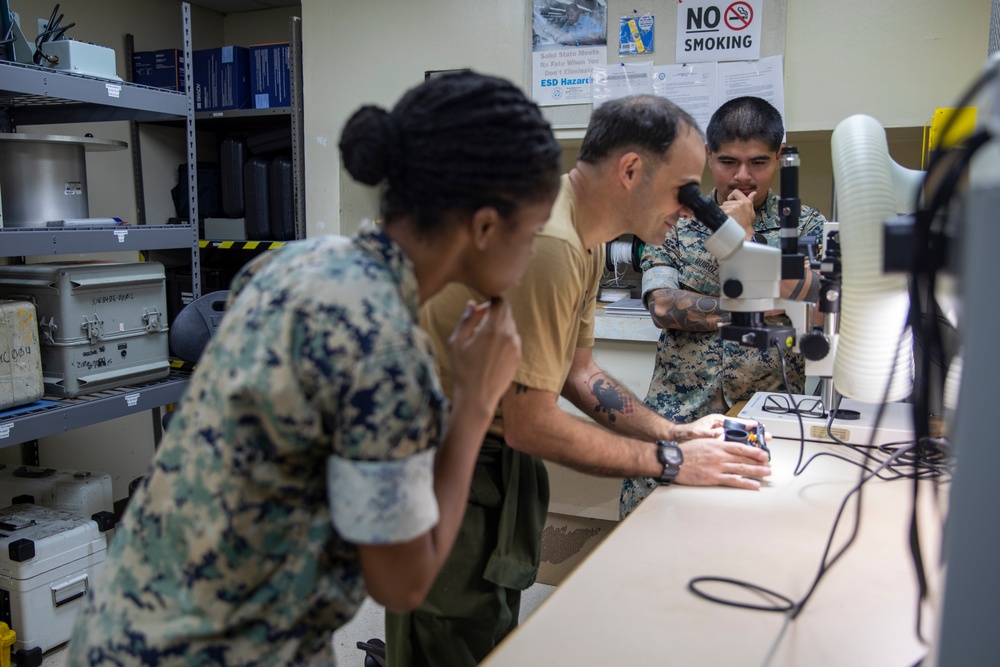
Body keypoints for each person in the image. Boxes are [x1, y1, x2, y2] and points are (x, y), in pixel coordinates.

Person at [66, 71, 564, 666]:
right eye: (531, 232)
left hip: (119, 627)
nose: (534, 251)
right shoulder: (386, 352)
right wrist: (476, 404)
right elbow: (403, 584)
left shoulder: (297, 262)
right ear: (483, 227)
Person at [385, 94, 772, 667]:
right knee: (447, 639)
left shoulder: (583, 239)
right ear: (631, 171)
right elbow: (531, 424)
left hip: (490, 458)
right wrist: (670, 462)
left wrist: (677, 432)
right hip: (441, 464)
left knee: (490, 631)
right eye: (685, 190)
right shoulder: (549, 242)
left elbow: (577, 372)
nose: (693, 210)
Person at [620, 96, 828, 517]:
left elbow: (817, 307)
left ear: (779, 157)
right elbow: (662, 305)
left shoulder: (805, 226)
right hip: (678, 413)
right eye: (729, 161)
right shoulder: (672, 221)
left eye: (759, 162)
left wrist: (746, 237)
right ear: (709, 157)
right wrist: (754, 310)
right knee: (649, 527)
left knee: (745, 535)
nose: (743, 176)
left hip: (768, 414)